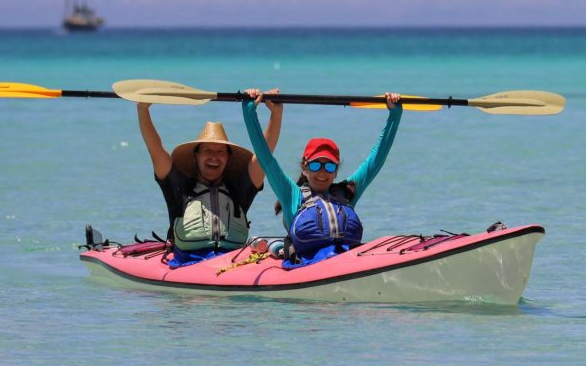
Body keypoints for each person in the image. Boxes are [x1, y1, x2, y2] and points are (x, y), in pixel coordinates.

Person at [242, 89, 402, 266]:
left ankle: (276, 246)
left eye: (330, 166)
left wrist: (394, 114)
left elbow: (376, 159)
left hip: (347, 261)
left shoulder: (347, 192)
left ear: (336, 171)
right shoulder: (291, 195)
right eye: (316, 165)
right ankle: (276, 247)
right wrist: (250, 111)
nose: (322, 173)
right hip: (307, 267)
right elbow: (265, 157)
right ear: (305, 168)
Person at [137, 92, 283, 266]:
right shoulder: (179, 186)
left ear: (228, 158)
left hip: (231, 262)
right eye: (208, 151)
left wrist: (276, 113)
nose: (214, 157)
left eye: (220, 152)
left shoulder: (240, 188)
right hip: (188, 262)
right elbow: (155, 148)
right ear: (196, 156)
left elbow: (264, 154)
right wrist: (143, 109)